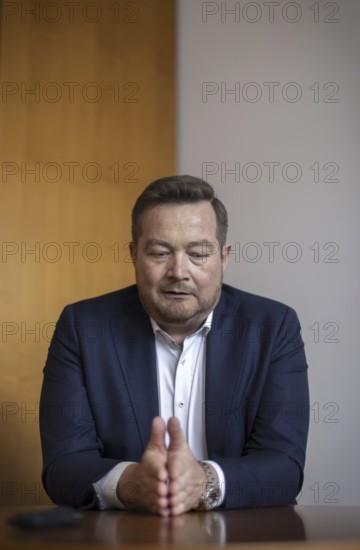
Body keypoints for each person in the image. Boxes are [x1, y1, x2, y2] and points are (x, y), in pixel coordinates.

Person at [40, 175, 309, 515]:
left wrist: (204, 482)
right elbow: (62, 468)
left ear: (223, 257)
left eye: (198, 254)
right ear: (134, 255)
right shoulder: (83, 327)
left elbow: (284, 468)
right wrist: (134, 482)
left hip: (243, 537)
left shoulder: (274, 328)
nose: (179, 271)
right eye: (159, 253)